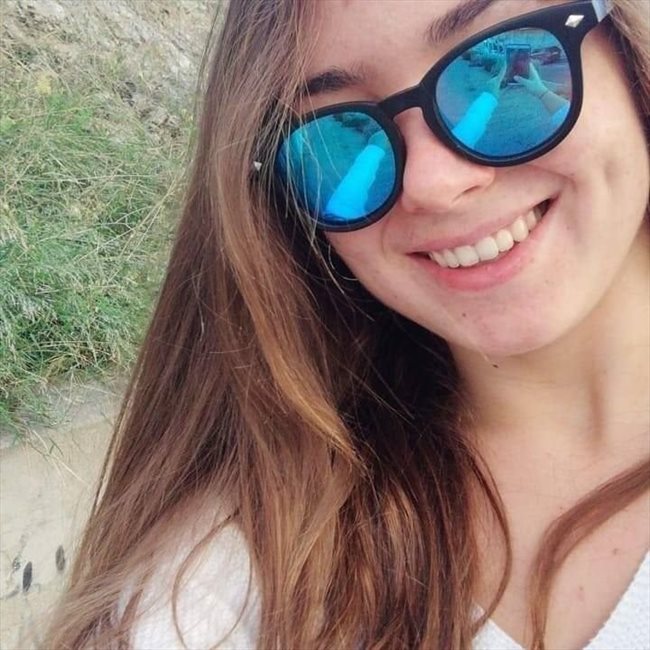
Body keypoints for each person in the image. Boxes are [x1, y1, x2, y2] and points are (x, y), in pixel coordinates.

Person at [44, 0, 649, 648]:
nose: (433, 183)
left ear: (628, 47)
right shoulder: (249, 559)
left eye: (494, 65)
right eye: (341, 135)